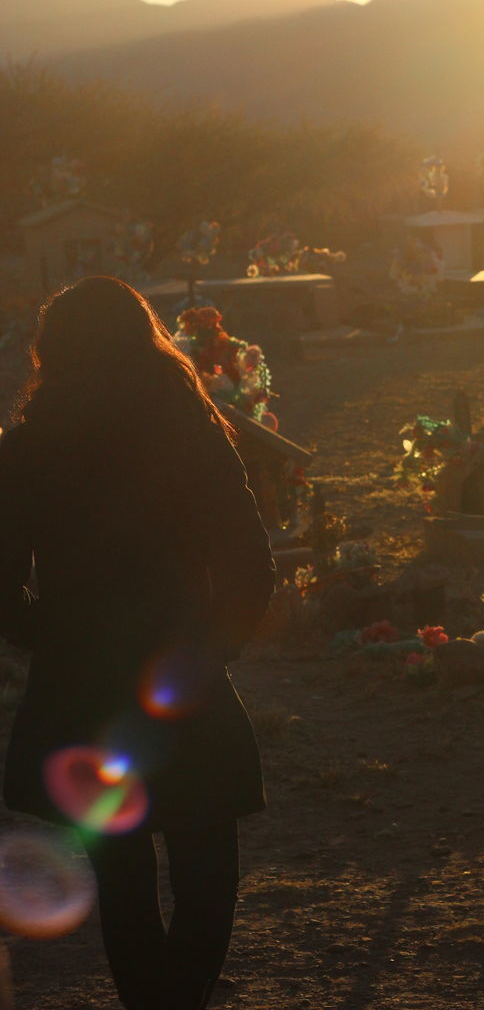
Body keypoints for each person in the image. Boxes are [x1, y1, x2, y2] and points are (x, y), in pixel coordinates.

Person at [0, 276, 276, 1010]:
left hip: (79, 686)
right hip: (180, 677)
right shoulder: (191, 433)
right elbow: (251, 559)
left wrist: (44, 636)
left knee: (122, 881)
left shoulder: (24, 449)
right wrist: (215, 646)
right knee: (206, 873)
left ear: (51, 352)